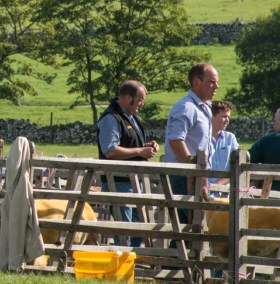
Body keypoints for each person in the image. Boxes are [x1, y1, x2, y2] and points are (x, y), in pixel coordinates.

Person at [95, 80, 158, 246]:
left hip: (133, 181)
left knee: (138, 228)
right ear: (127, 98)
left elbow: (128, 144)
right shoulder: (111, 118)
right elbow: (110, 151)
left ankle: (129, 265)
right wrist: (140, 151)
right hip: (119, 182)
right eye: (139, 100)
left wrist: (145, 146)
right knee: (124, 231)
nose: (141, 104)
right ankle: (122, 269)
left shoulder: (129, 117)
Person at [164, 63, 218, 222]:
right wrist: (192, 168)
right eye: (212, 82)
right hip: (184, 177)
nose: (216, 86)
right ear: (196, 82)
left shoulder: (203, 108)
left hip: (194, 176)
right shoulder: (186, 107)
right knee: (187, 226)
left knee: (193, 225)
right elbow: (175, 139)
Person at [207, 100, 238, 192]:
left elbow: (236, 167)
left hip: (226, 193)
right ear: (212, 117)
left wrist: (218, 185)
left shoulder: (230, 138)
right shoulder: (202, 139)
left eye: (228, 117)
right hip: (204, 191)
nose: (227, 120)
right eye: (224, 117)